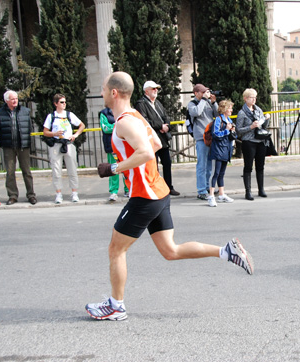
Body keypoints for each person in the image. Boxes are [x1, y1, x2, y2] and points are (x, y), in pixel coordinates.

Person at [85, 71, 254, 321]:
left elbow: (146, 152)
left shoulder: (123, 122)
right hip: (158, 191)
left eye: (102, 89)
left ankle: (116, 306)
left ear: (113, 92)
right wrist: (136, 165)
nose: (100, 93)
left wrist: (113, 168)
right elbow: (155, 142)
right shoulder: (136, 117)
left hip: (145, 196)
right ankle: (226, 251)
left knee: (115, 250)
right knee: (170, 251)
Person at [136, 81, 180, 196]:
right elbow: (144, 120)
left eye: (157, 89)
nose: (156, 90)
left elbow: (166, 117)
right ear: (146, 91)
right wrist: (160, 126)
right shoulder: (141, 104)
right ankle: (155, 187)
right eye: (153, 88)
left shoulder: (158, 103)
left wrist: (167, 126)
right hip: (151, 140)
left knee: (167, 163)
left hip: (163, 139)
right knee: (153, 165)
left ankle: (168, 187)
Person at [0, 90, 37, 205]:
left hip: (23, 145)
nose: (15, 101)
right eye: (12, 99)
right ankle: (12, 195)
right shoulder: (0, 113)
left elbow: (29, 127)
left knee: (27, 171)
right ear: (6, 100)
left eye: (16, 99)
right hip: (8, 146)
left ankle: (31, 195)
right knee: (10, 172)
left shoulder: (25, 111)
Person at [42, 94, 86, 204]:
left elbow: (82, 125)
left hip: (68, 144)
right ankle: (58, 194)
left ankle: (74, 192)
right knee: (56, 170)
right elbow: (45, 132)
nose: (64, 104)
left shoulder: (69, 115)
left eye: (65, 102)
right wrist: (54, 133)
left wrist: (75, 135)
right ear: (56, 103)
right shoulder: (51, 116)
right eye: (61, 102)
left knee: (72, 169)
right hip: (57, 144)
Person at [236, 88, 271, 200]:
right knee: (248, 167)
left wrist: (266, 120)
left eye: (255, 97)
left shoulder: (258, 110)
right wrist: (250, 127)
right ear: (246, 98)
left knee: (260, 166)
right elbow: (238, 130)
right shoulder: (242, 113)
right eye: (252, 97)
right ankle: (248, 191)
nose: (254, 99)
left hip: (260, 140)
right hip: (249, 142)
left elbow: (264, 126)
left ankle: (261, 189)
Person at [187, 84, 218, 200]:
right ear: (196, 93)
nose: (206, 93)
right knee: (202, 165)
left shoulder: (208, 102)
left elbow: (217, 115)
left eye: (206, 91)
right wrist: (204, 100)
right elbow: (196, 113)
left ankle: (207, 187)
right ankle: (201, 190)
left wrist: (214, 103)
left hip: (210, 136)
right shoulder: (192, 104)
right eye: (203, 92)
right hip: (201, 137)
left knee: (210, 165)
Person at [207, 100, 236, 207]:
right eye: (229, 108)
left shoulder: (229, 120)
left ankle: (221, 194)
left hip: (226, 149)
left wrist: (233, 131)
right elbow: (215, 134)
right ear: (224, 109)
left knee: (222, 173)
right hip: (219, 149)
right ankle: (211, 196)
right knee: (216, 173)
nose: (231, 110)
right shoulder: (218, 120)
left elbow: (233, 136)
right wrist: (227, 130)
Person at [99, 106, 128, 201]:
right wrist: (119, 126)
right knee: (113, 168)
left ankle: (128, 189)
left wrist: (116, 126)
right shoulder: (104, 113)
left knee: (126, 168)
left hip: (123, 145)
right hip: (111, 146)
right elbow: (105, 128)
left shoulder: (122, 110)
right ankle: (113, 191)